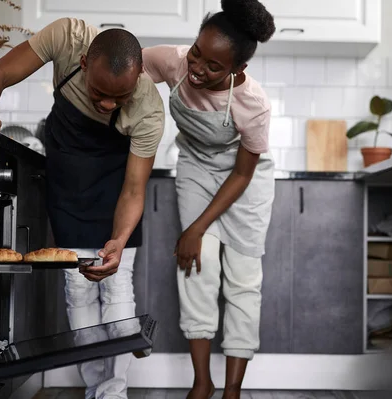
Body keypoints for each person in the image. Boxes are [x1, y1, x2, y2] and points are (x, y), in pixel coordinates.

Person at [0, 17, 165, 399]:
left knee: (117, 292)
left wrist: (119, 238)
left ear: (138, 79)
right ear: (83, 63)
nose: (107, 104)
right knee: (78, 290)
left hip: (116, 192)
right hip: (67, 185)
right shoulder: (67, 39)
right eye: (100, 92)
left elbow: (134, 190)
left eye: (120, 97)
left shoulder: (149, 111)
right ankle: (95, 388)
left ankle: (113, 393)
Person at [142, 0, 276, 397]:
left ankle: (232, 389)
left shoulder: (252, 104)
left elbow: (242, 172)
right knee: (196, 271)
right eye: (197, 54)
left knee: (243, 283)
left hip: (243, 182)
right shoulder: (173, 61)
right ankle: (202, 383)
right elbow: (129, 70)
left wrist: (195, 227)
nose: (197, 69)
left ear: (239, 70)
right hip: (196, 170)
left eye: (213, 66)